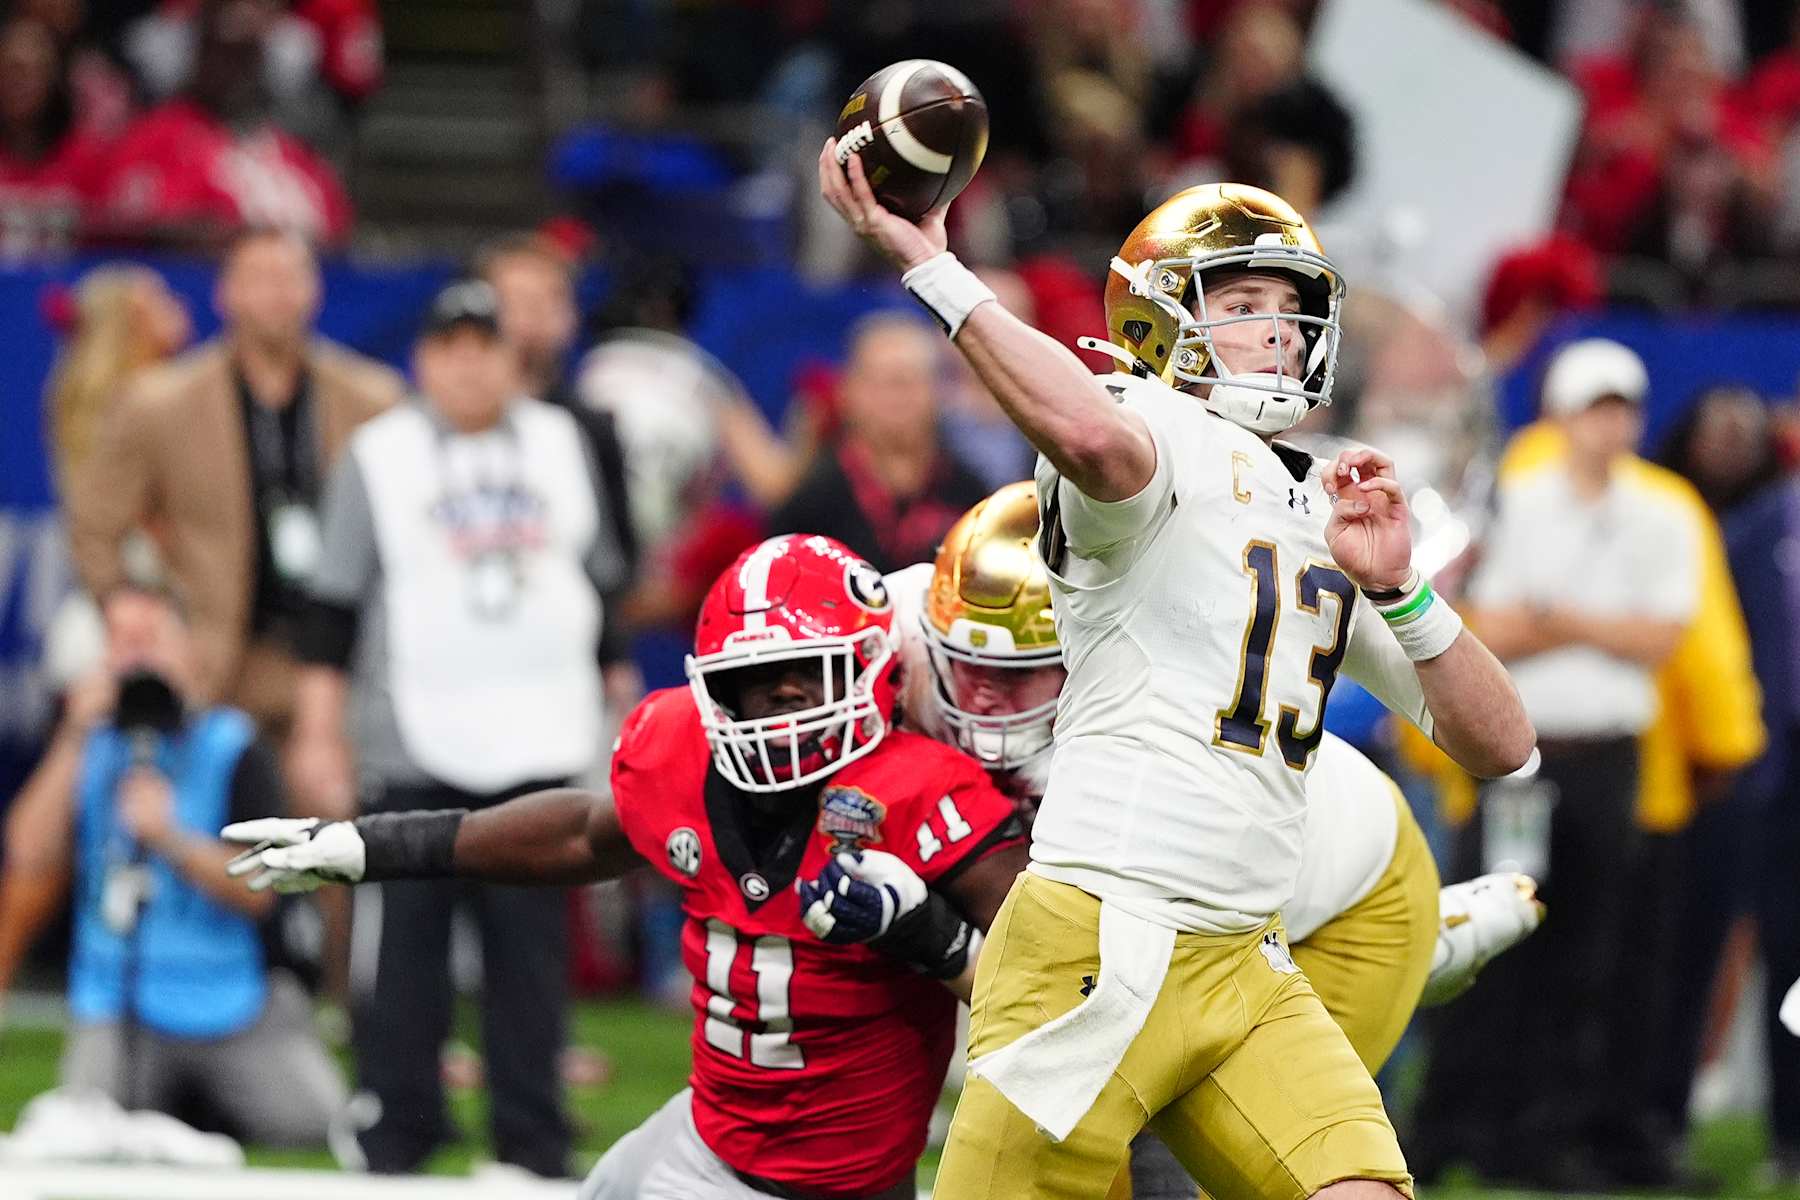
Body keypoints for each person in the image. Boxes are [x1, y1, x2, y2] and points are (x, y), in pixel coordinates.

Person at [820, 148, 1535, 1199]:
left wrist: (1400, 591)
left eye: (1290, 309)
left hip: (1247, 956)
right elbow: (1091, 437)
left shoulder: (1320, 502)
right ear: (1159, 323)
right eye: (1243, 304)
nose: (1279, 331)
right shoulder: (1144, 422)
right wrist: (936, 268)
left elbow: (1503, 743)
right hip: (1099, 935)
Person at [224, 533, 1032, 1200]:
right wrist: (375, 846)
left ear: (869, 668)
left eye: (806, 677)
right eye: (753, 681)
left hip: (844, 1181)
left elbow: (1051, 989)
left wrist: (932, 936)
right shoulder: (678, 750)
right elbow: (580, 835)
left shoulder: (925, 794)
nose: (783, 704)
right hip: (706, 1141)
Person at [879, 482, 1543, 1199]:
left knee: (1146, 1152)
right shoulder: (900, 627)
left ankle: (1419, 947)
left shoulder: (1143, 734)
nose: (984, 699)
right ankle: (1435, 945)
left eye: (1019, 675)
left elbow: (1059, 972)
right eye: (967, 664)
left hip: (1336, 910)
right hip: (1184, 933)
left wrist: (932, 937)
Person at [282, 278, 627, 1177]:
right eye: (453, 349)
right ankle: (397, 1128)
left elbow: (599, 582)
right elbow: (331, 607)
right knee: (404, 953)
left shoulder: (563, 442)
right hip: (414, 735)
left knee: (530, 957)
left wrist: (613, 696)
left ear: (514, 359)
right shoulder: (380, 455)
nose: (471, 367)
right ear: (423, 361)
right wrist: (319, 731)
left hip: (544, 736)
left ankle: (532, 1139)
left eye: (487, 348)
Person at [1422, 339, 1701, 1189]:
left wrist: (1553, 616)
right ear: (1561, 416)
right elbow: (1478, 625)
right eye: (1595, 409)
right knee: (1483, 935)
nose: (1609, 426)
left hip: (1607, 757)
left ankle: (1546, 1133)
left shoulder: (1663, 510)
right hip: (1520, 761)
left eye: (1622, 410)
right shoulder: (1513, 496)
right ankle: (1452, 1123)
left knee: (1588, 948)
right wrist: (1593, 625)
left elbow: (1661, 638)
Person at [0, 585, 344, 1147]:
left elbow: (261, 892)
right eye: (121, 641)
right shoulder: (87, 743)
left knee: (313, 1121)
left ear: (188, 650)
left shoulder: (233, 745)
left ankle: (203, 1100)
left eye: (150, 639)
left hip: (229, 1000)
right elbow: (27, 849)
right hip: (117, 1001)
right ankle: (184, 1103)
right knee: (84, 1131)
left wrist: (172, 840)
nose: (137, 657)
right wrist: (73, 736)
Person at [67, 227, 402, 748]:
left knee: (333, 793)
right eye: (258, 278)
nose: (275, 294)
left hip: (337, 662)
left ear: (315, 289)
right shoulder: (161, 403)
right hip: (217, 657)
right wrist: (123, 602)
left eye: (288, 278)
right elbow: (94, 522)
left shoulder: (372, 399)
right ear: (225, 292)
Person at [96, 0, 353, 246]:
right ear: (198, 55)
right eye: (219, 53)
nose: (231, 70)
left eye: (244, 56)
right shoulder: (158, 134)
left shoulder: (286, 150)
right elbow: (122, 227)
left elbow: (337, 231)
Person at [768, 313, 990, 573]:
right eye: (880, 383)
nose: (896, 398)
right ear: (848, 391)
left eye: (908, 381)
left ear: (939, 391)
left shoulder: (972, 498)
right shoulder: (810, 505)